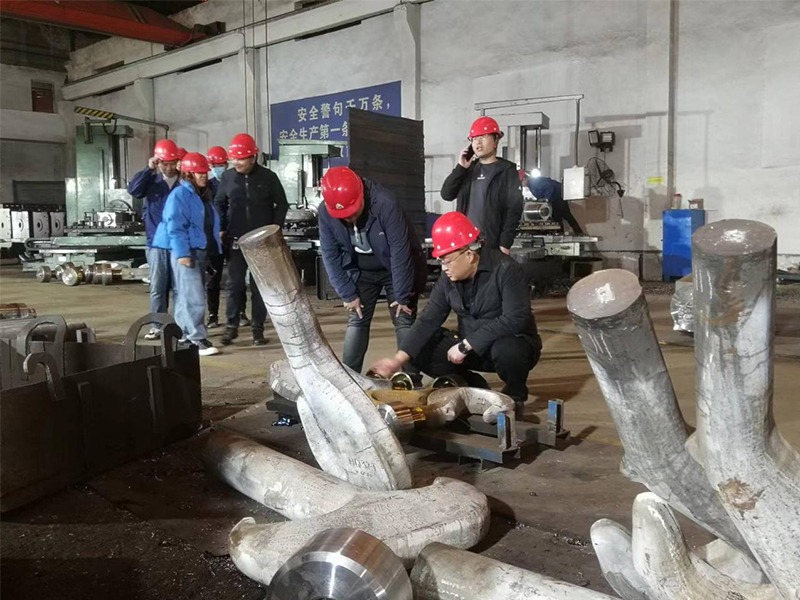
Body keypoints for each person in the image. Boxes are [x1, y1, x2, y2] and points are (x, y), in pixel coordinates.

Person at [370, 212, 542, 415]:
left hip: (507, 346)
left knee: (509, 350)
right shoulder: (448, 280)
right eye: (441, 261)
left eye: (447, 261)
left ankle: (515, 396)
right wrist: (397, 360)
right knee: (420, 346)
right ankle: (472, 387)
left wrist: (466, 344)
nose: (444, 268)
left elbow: (515, 318)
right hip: (469, 349)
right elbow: (428, 319)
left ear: (469, 255)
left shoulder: (507, 270)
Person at [318, 166, 427, 373]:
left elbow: (400, 251)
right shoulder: (326, 211)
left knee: (403, 318)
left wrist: (402, 294)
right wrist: (347, 293)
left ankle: (411, 379)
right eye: (344, 216)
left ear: (361, 195)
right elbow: (329, 255)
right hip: (361, 271)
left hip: (394, 267)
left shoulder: (385, 203)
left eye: (353, 212)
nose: (350, 219)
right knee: (357, 319)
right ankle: (350, 378)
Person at [214, 133, 288, 346]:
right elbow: (219, 203)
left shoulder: (268, 177)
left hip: (262, 244)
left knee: (259, 288)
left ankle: (257, 329)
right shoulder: (227, 178)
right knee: (234, 285)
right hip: (236, 241)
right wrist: (222, 227)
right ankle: (231, 326)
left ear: (253, 158)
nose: (236, 162)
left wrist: (274, 229)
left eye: (241, 158)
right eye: (234, 159)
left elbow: (282, 204)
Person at [152, 152, 221, 356]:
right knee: (193, 295)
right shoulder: (181, 195)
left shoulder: (199, 195)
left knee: (184, 295)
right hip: (186, 250)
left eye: (205, 172)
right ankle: (196, 339)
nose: (204, 176)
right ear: (188, 174)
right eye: (199, 173)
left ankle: (184, 335)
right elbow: (175, 226)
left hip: (196, 248)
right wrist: (182, 253)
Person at [440, 116, 523, 254]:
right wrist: (461, 168)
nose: (478, 142)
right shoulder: (467, 170)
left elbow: (514, 210)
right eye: (474, 138)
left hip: (491, 244)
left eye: (483, 137)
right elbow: (446, 194)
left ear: (496, 141)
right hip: (465, 242)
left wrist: (505, 243)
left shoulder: (507, 171)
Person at [127, 139, 181, 340]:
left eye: (172, 163)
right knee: (158, 288)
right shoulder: (151, 181)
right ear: (157, 162)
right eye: (164, 163)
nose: (169, 167)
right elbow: (133, 190)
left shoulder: (184, 182)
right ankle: (158, 325)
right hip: (157, 243)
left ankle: (178, 326)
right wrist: (148, 170)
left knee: (179, 288)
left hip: (179, 243)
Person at [204, 145, 248, 329]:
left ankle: (240, 312)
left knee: (236, 276)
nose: (218, 168)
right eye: (214, 165)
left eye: (220, 164)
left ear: (227, 163)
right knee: (213, 278)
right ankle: (213, 315)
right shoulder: (205, 186)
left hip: (233, 235)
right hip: (214, 238)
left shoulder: (236, 181)